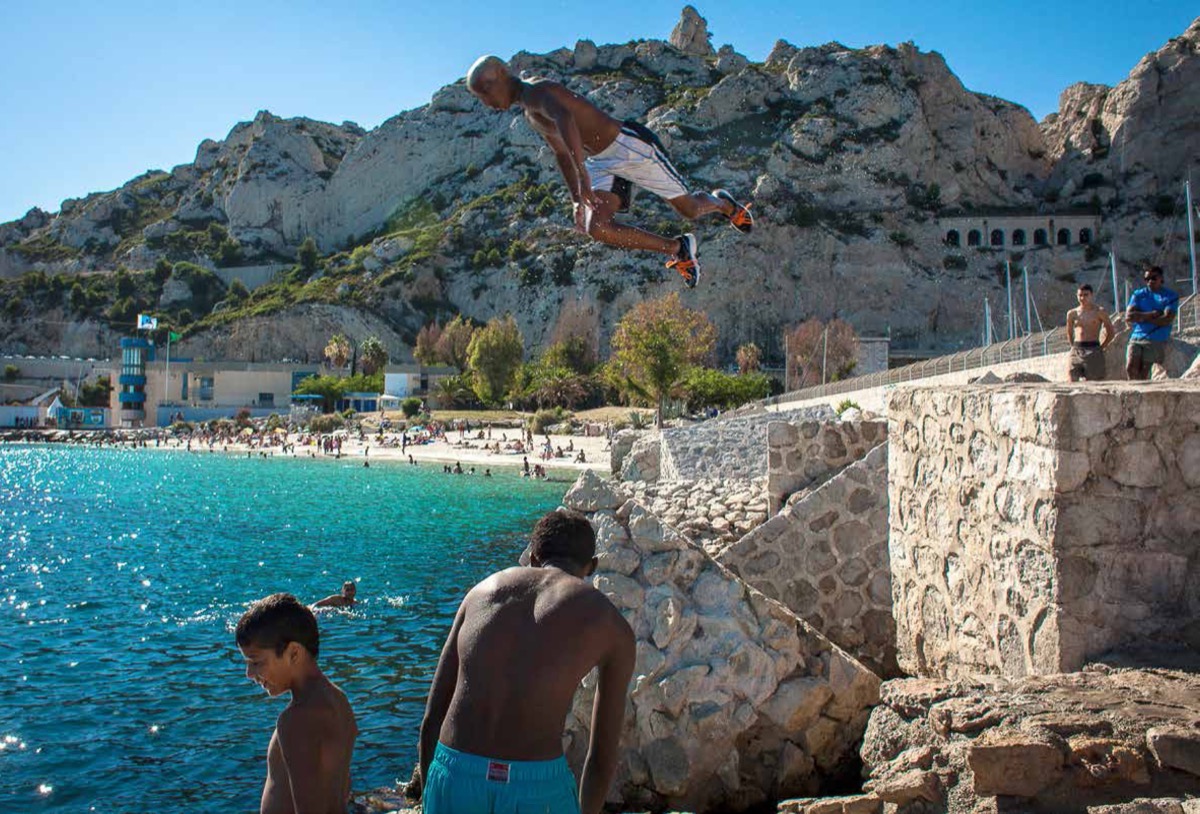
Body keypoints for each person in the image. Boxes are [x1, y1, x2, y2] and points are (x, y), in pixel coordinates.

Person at [465, 55, 753, 289]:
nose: (486, 103)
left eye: (486, 92)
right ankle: (678, 249)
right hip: (601, 161)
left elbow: (565, 118)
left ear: (502, 74)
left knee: (689, 209)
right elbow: (561, 153)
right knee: (597, 228)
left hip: (629, 146)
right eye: (480, 98)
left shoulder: (536, 92)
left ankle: (724, 204)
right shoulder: (529, 114)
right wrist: (577, 198)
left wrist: (583, 175)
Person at [416, 510, 635, 814]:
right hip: (537, 790)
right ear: (592, 566)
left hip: (455, 772)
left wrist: (431, 796)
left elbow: (431, 718)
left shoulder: (480, 593)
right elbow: (601, 756)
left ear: (532, 557)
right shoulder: (611, 624)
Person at [235, 593, 357, 814]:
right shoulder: (338, 700)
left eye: (256, 661)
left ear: (293, 653)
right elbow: (341, 786)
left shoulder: (296, 720)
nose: (249, 674)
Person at [1125, 265, 1180, 381]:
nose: (1150, 281)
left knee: (1144, 370)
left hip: (1156, 338)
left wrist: (1140, 316)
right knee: (1130, 367)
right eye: (1147, 279)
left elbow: (1166, 319)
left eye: (1153, 278)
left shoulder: (1170, 296)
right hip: (1137, 336)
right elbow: (1129, 316)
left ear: (1161, 279)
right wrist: (1153, 314)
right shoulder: (1138, 294)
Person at [1065, 283, 1115, 381]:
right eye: (1080, 295)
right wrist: (1072, 346)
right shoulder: (1072, 313)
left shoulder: (1099, 312)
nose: (1082, 298)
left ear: (1091, 295)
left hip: (1093, 347)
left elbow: (1111, 332)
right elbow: (1069, 332)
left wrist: (1101, 347)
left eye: (1085, 295)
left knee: (1094, 381)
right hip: (1077, 348)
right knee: (1071, 378)